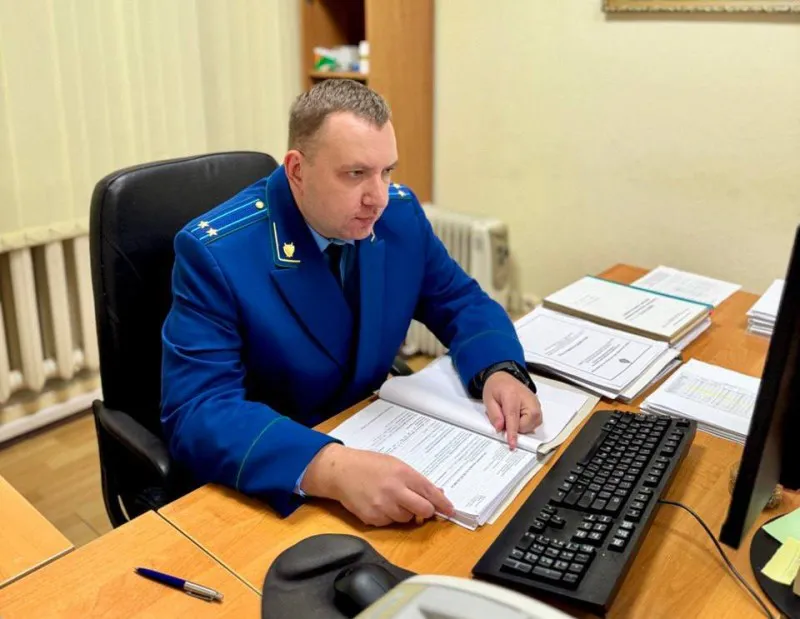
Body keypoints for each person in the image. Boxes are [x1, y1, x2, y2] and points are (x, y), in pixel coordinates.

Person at [161, 79, 542, 527]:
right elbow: (199, 410)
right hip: (282, 477)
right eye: (355, 174)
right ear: (297, 170)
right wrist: (330, 468)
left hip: (376, 433)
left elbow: (459, 300)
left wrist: (499, 367)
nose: (377, 198)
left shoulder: (399, 216)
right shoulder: (217, 253)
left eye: (387, 171)